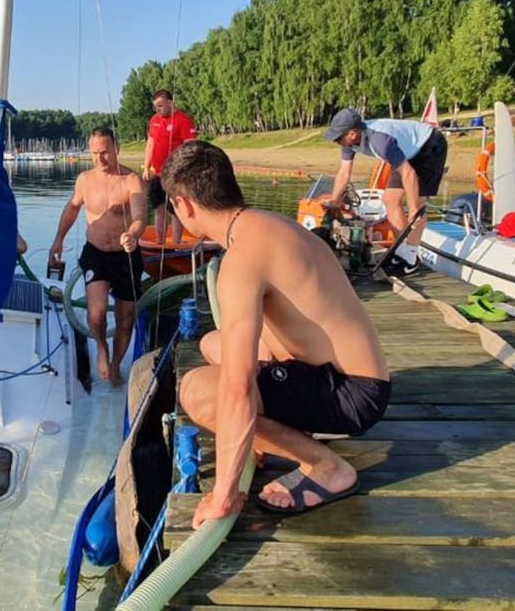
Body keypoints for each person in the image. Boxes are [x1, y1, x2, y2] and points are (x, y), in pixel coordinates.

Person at [159, 141, 390, 524]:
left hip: (352, 395)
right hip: (351, 375)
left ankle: (327, 467)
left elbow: (238, 388)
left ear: (184, 205)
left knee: (198, 392)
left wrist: (223, 495)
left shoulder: (240, 261)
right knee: (213, 344)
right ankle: (278, 434)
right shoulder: (267, 224)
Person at [49, 127, 146, 385]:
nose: (99, 159)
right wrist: (59, 239)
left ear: (116, 149)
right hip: (96, 254)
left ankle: (115, 366)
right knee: (97, 313)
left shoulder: (131, 180)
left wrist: (133, 234)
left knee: (126, 318)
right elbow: (72, 209)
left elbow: (139, 216)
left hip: (126, 254)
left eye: (104, 152)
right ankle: (102, 348)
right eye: (94, 153)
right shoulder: (84, 180)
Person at [321, 108, 447, 276]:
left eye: (338, 137)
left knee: (418, 204)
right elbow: (344, 172)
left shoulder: (379, 140)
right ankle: (401, 252)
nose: (335, 140)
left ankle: (410, 259)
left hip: (429, 147)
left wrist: (414, 208)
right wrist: (335, 200)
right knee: (390, 200)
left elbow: (408, 173)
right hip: (407, 153)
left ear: (352, 133)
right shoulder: (349, 143)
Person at [141, 89, 196, 245]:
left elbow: (190, 148)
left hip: (175, 175)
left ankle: (177, 242)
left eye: (160, 106)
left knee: (175, 210)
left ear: (170, 103)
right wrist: (146, 167)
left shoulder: (183, 120)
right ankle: (160, 241)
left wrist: (186, 171)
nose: (157, 110)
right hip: (156, 173)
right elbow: (150, 143)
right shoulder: (154, 120)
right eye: (155, 107)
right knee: (158, 208)